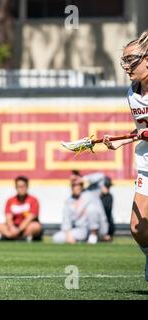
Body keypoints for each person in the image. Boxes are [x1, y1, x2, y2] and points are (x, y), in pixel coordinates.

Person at [102, 30, 148, 280]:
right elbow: (142, 128)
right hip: (146, 165)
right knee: (137, 228)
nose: (126, 66)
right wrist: (123, 141)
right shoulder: (132, 92)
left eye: (132, 60)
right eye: (125, 60)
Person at [52, 175, 108, 244]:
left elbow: (101, 177)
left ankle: (94, 236)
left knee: (91, 209)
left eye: (78, 185)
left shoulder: (91, 193)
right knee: (57, 237)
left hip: (99, 228)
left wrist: (83, 179)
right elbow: (66, 223)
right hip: (82, 230)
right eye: (74, 185)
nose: (76, 187)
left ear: (82, 185)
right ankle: (82, 241)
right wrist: (68, 236)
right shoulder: (69, 202)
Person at [0, 176, 43, 242]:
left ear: (27, 187)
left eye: (23, 186)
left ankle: (9, 237)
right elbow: (8, 217)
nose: (21, 189)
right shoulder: (10, 200)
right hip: (13, 226)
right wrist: (12, 228)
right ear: (16, 187)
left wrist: (19, 230)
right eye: (19, 187)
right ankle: (20, 238)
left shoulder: (33, 200)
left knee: (36, 226)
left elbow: (30, 218)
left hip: (26, 227)